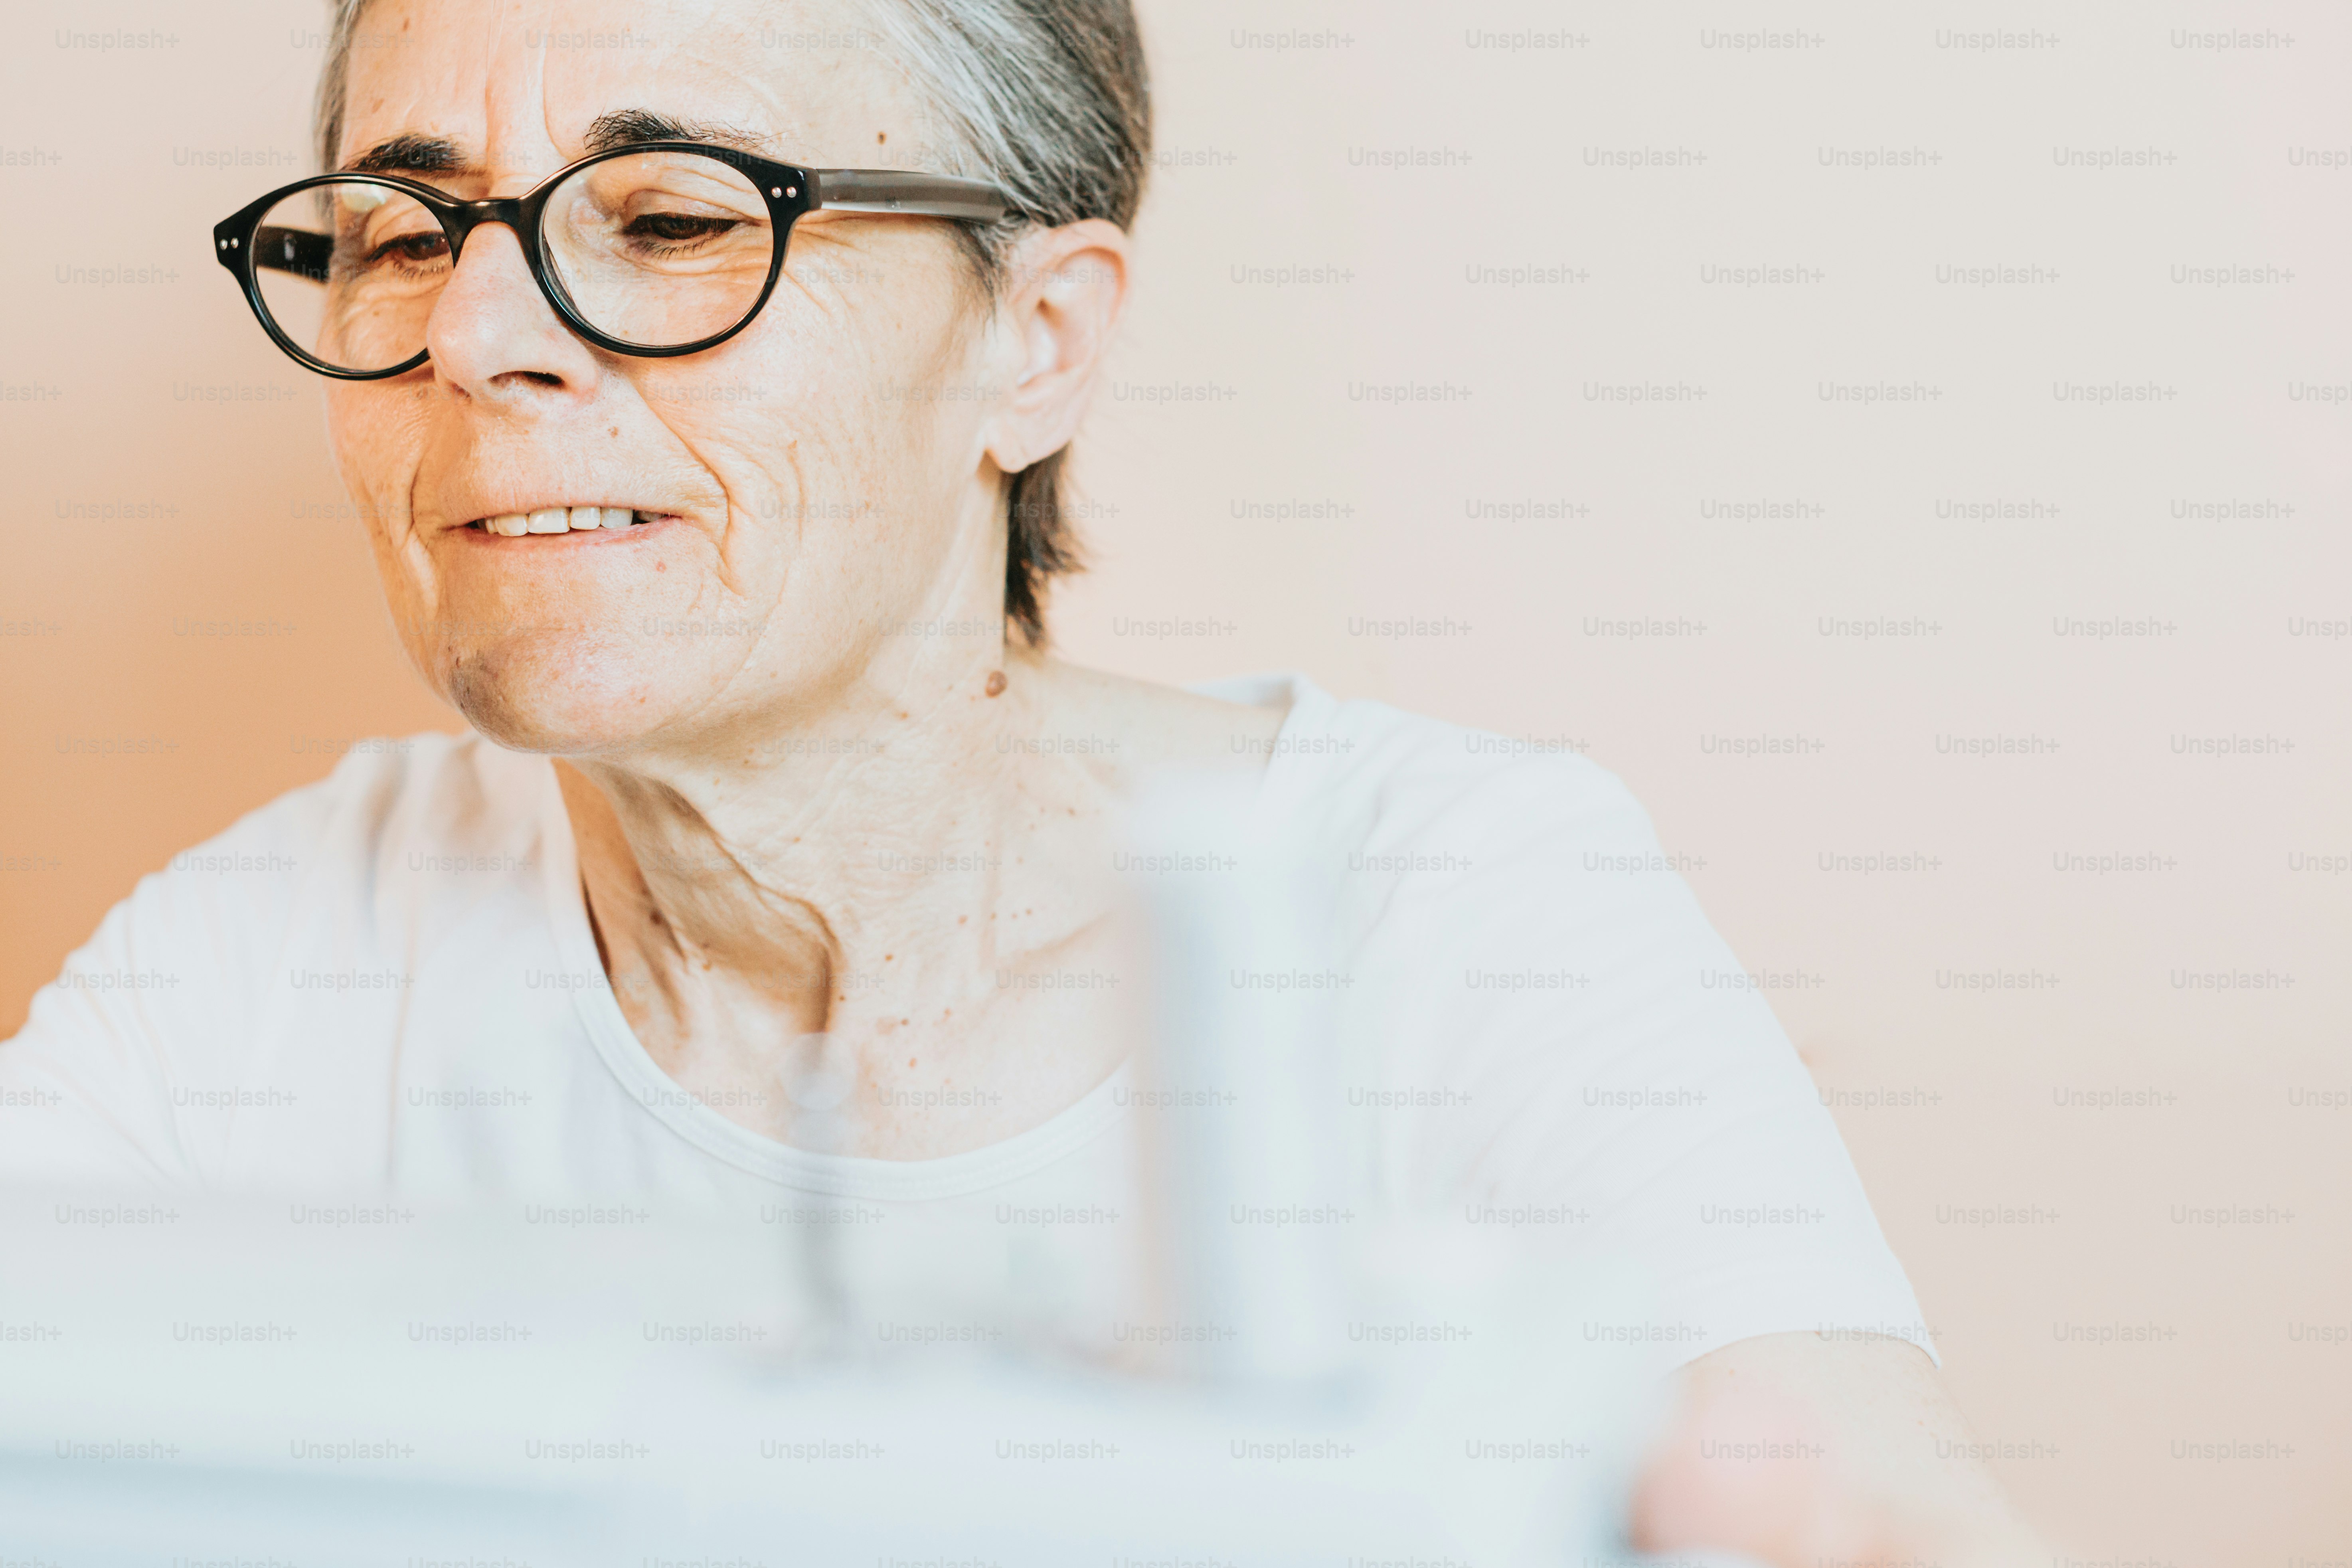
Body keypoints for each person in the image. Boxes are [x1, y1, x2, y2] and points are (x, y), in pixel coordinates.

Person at [0, 1, 2046, 1561]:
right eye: (398, 230)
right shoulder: (267, 961)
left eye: (676, 216)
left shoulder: (1458, 902)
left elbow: (1853, 1511)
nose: (480, 330)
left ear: (1039, 340)